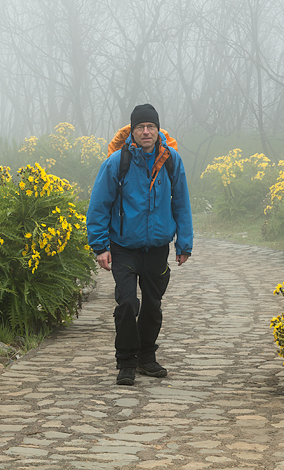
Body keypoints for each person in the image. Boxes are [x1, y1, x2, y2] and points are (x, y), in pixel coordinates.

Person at [87, 103, 193, 386]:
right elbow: (98, 206)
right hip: (123, 246)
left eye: (151, 127)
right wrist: (100, 246)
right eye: (140, 127)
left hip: (157, 247)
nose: (146, 132)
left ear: (158, 130)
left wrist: (184, 243)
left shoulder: (172, 160)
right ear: (132, 131)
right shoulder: (116, 163)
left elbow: (181, 203)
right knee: (127, 303)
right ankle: (126, 361)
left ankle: (147, 357)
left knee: (152, 305)